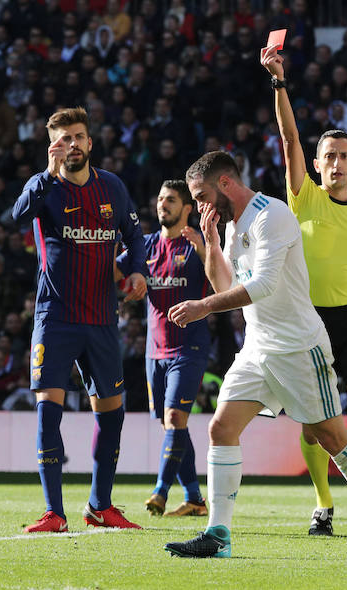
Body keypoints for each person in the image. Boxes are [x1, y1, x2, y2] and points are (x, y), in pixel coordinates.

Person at [163, 151, 347, 558]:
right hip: (259, 345)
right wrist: (211, 243)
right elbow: (228, 285)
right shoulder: (233, 223)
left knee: (332, 437)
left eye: (202, 195)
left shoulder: (270, 215)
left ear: (225, 184)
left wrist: (203, 307)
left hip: (298, 347)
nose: (200, 205)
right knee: (221, 428)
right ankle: (217, 534)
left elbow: (264, 286)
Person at [262, 43, 347, 538]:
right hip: (309, 320)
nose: (336, 163)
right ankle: (323, 503)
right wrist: (279, 82)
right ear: (316, 166)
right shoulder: (304, 198)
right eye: (329, 156)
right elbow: (289, 136)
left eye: (344, 157)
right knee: (315, 423)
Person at [12, 107, 148, 533]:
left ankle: (99, 506)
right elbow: (17, 215)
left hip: (102, 319)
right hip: (56, 318)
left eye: (78, 136)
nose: (72, 144)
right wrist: (47, 175)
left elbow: (135, 236)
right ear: (54, 146)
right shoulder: (43, 187)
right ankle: (55, 512)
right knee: (47, 409)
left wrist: (137, 269)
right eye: (63, 138)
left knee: (112, 414)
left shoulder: (112, 187)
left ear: (90, 142)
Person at [115, 180, 210, 518]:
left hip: (190, 346)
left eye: (170, 199)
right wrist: (130, 281)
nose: (162, 205)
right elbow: (114, 270)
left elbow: (224, 280)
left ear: (187, 208)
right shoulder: (147, 246)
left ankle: (160, 492)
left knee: (174, 418)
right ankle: (196, 499)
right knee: (173, 426)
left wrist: (205, 251)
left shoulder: (198, 245)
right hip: (155, 351)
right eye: (160, 199)